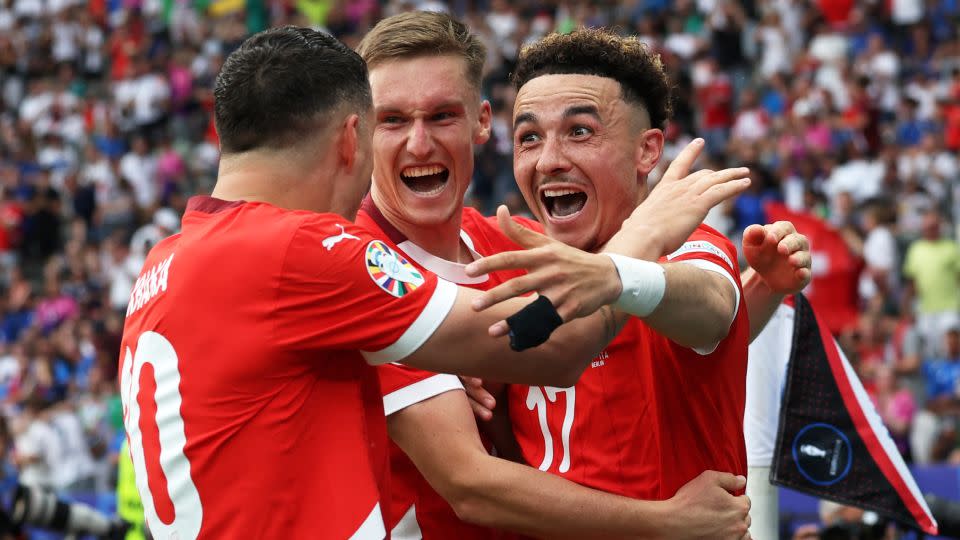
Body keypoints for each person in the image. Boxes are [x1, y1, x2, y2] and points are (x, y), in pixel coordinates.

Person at [118, 26, 751, 539]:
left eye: (442, 115)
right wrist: (644, 239)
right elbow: (549, 359)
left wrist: (758, 294)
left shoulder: (165, 263)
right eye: (390, 122)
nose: (417, 144)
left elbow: (637, 337)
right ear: (353, 138)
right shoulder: (319, 255)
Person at [356, 13, 809, 539]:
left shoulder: (517, 245)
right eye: (392, 120)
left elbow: (703, 317)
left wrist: (758, 291)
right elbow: (470, 484)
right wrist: (666, 523)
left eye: (579, 132)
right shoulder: (367, 271)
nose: (550, 160)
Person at [465, 27, 811, 509]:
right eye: (528, 138)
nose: (549, 160)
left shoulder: (690, 242)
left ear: (647, 150)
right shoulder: (501, 258)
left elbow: (712, 309)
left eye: (579, 131)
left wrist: (614, 275)